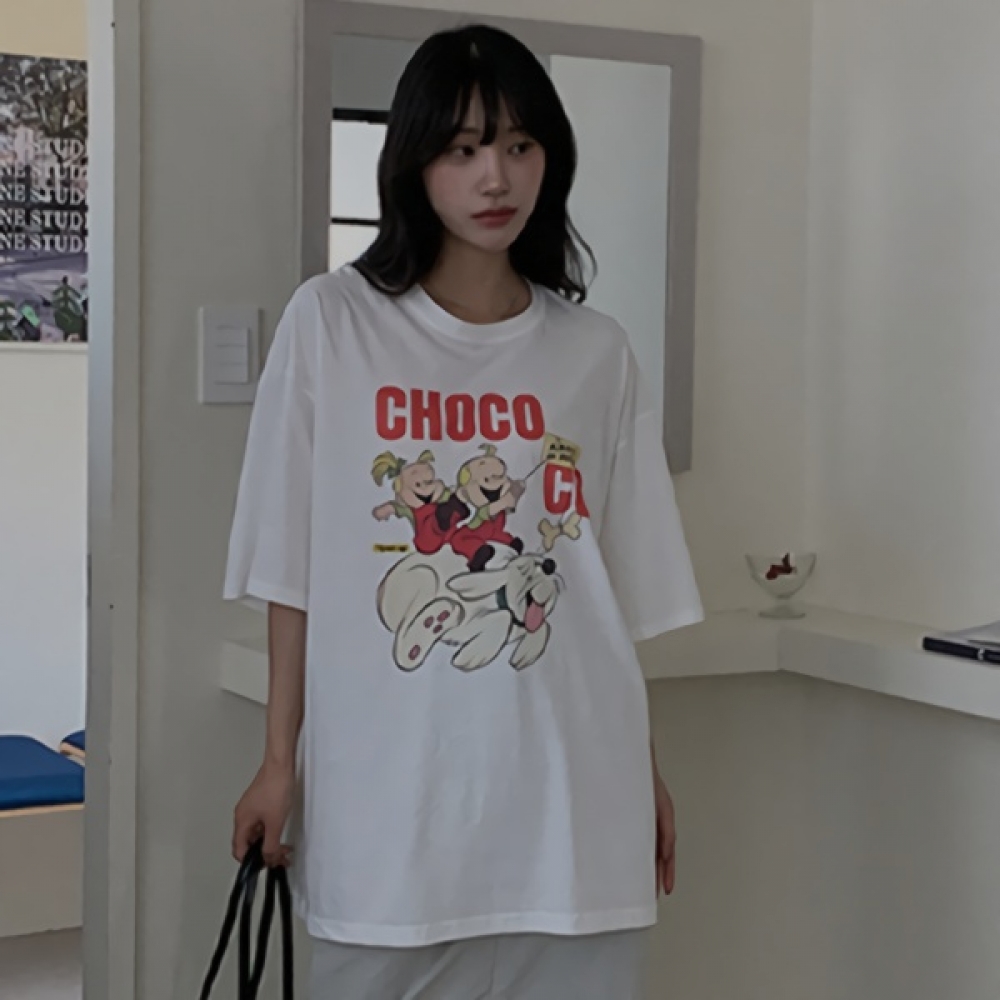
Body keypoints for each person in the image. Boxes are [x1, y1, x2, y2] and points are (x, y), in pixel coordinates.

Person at [224, 22, 703, 1000]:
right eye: (464, 148)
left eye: (520, 145)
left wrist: (641, 774)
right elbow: (290, 565)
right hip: (389, 825)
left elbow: (604, 596)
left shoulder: (596, 351)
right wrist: (278, 762)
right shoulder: (332, 323)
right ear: (415, 162)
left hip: (575, 816)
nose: (497, 177)